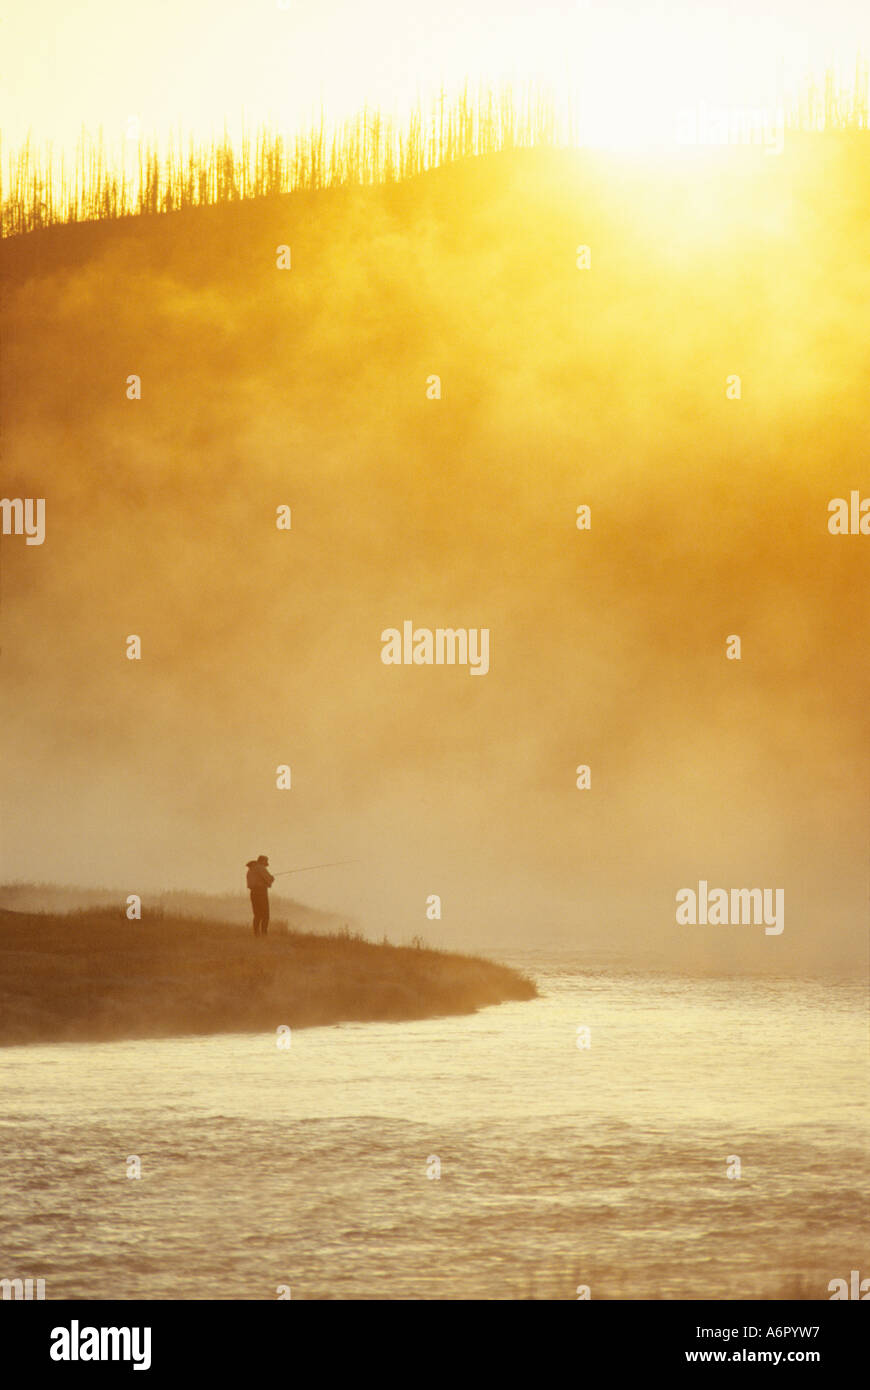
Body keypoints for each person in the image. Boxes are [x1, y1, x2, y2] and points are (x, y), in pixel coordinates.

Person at [246, 855, 274, 936]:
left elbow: (250, 884)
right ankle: (264, 934)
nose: (266, 864)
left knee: (257, 914)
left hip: (253, 893)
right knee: (265, 914)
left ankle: (256, 934)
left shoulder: (250, 870)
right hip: (261, 892)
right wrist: (271, 878)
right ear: (262, 861)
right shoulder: (261, 868)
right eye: (266, 862)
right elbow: (268, 879)